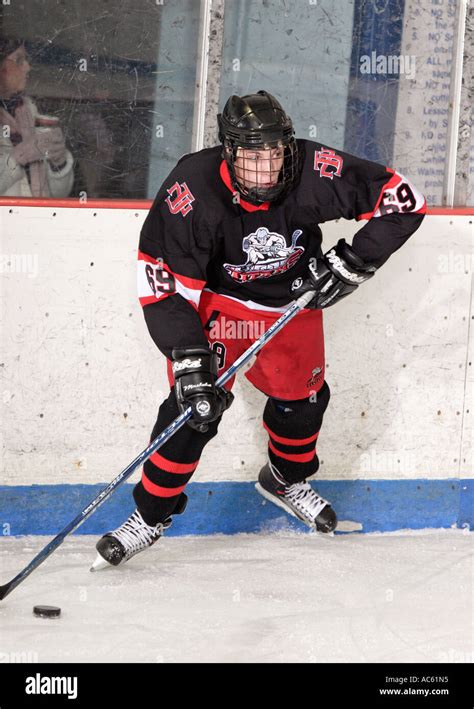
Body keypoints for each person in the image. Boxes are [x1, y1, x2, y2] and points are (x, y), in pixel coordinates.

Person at [92, 90, 426, 570]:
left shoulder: (314, 168)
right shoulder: (191, 188)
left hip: (294, 300)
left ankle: (284, 479)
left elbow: (403, 199)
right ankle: (150, 514)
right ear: (229, 151)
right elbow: (161, 281)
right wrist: (188, 356)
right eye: (252, 153)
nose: (267, 165)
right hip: (221, 305)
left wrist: (355, 260)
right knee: (195, 409)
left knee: (304, 401)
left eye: (275, 151)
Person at [0, 38, 74, 197]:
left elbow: (59, 196)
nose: (27, 67)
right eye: (19, 60)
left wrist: (59, 162)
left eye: (26, 60)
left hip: (38, 219)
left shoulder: (30, 112)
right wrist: (17, 157)